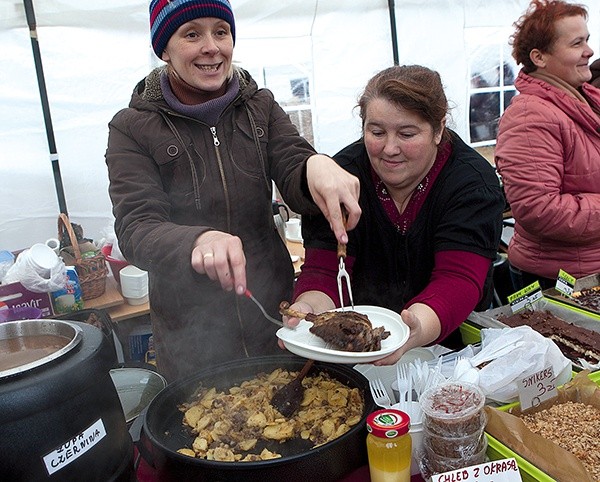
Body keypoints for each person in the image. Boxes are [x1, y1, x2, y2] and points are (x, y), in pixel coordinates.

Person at [104, 0, 360, 382]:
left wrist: (315, 166)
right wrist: (196, 240)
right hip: (191, 337)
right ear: (164, 49)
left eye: (221, 32)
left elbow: (292, 162)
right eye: (192, 34)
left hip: (273, 316)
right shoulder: (133, 127)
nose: (212, 47)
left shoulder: (260, 107)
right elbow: (136, 227)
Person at [282, 65, 505, 365]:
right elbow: (324, 272)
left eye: (407, 133)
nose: (389, 148)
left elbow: (459, 278)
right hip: (355, 350)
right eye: (376, 132)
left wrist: (413, 328)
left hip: (446, 348)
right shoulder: (342, 176)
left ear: (439, 130)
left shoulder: (471, 184)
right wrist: (308, 309)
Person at [495, 0, 600, 291]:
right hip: (556, 280)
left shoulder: (585, 100)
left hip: (588, 270)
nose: (589, 51)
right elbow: (539, 208)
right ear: (539, 57)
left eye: (587, 40)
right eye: (576, 43)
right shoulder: (530, 117)